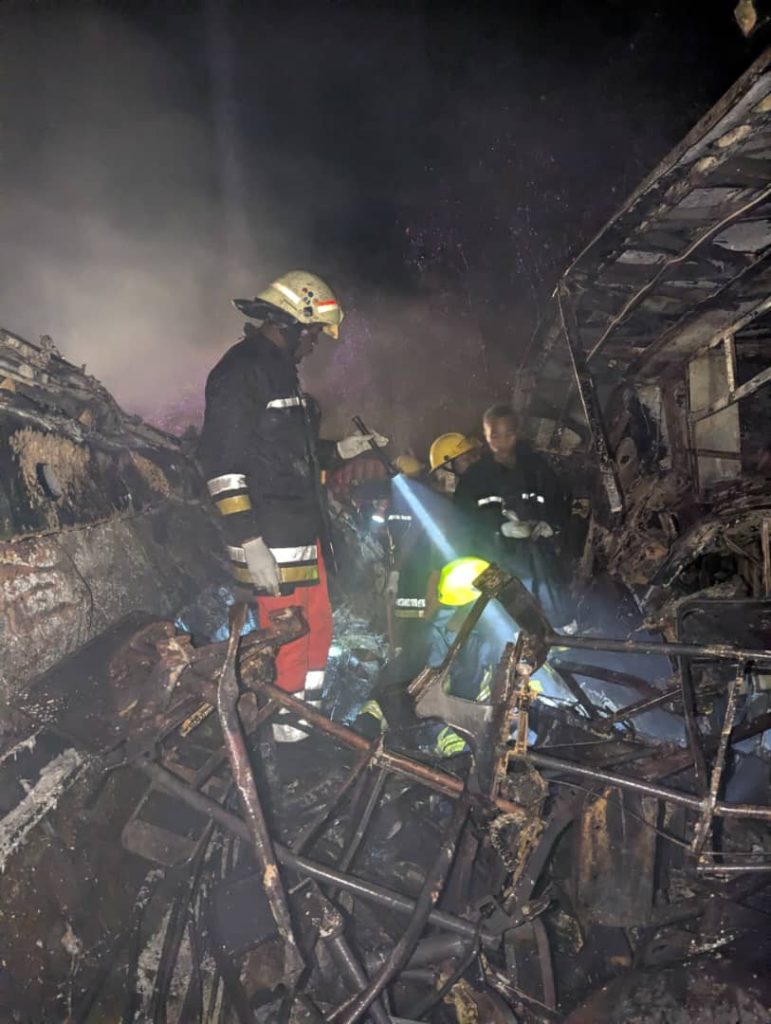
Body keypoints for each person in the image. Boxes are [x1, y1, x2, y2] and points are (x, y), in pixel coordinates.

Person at [197, 269, 387, 740]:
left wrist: (342, 449)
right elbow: (221, 463)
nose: (315, 343)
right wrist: (249, 540)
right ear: (291, 322)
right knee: (285, 640)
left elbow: (288, 454)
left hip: (301, 531)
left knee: (316, 628)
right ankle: (285, 736)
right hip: (269, 535)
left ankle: (305, 722)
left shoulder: (281, 373)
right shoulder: (241, 371)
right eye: (314, 332)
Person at [454, 404, 573, 626]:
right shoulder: (474, 478)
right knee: (504, 625)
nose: (502, 442)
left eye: (508, 434)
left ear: (517, 432)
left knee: (556, 623)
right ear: (485, 435)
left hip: (540, 562)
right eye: (495, 436)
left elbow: (561, 503)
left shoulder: (538, 470)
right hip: (494, 564)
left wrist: (551, 525)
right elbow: (461, 523)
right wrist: (499, 528)